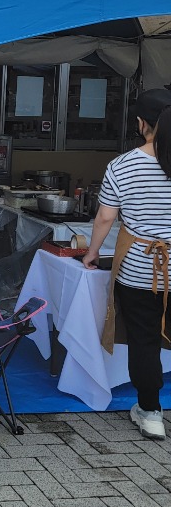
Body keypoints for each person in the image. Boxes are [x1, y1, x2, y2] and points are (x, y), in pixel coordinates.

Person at [83, 89, 171, 440]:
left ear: (141, 123)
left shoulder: (123, 165)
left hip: (139, 271)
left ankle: (150, 413)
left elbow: (105, 218)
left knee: (145, 342)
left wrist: (92, 253)